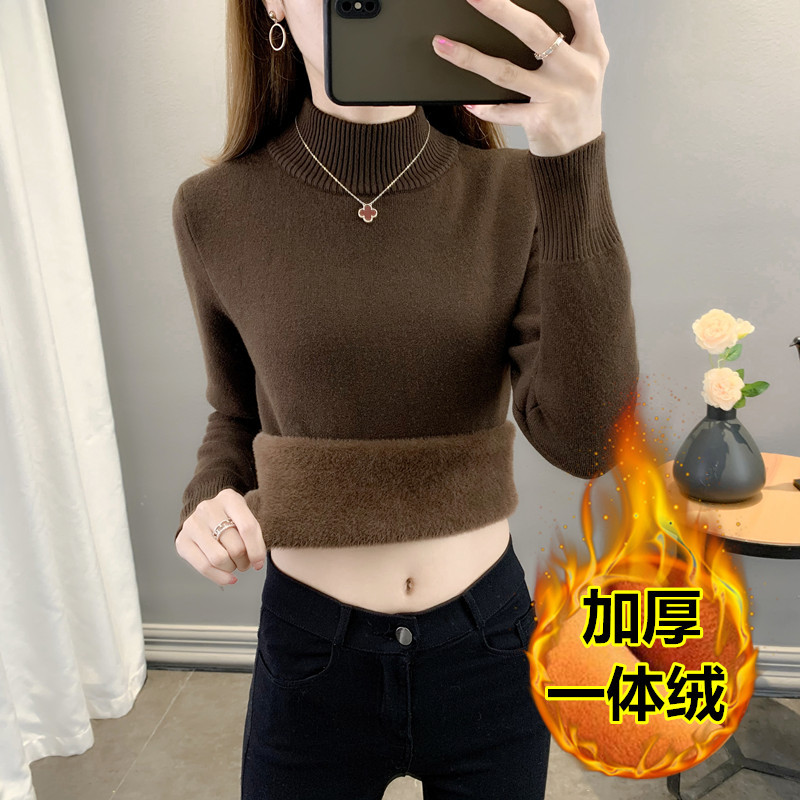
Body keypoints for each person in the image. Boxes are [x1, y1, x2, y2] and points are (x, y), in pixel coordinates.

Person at [172, 0, 639, 797]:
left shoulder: (518, 188)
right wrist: (208, 501)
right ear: (273, 4)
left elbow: (589, 440)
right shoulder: (213, 208)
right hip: (311, 652)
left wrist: (575, 155)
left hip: (488, 644)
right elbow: (237, 412)